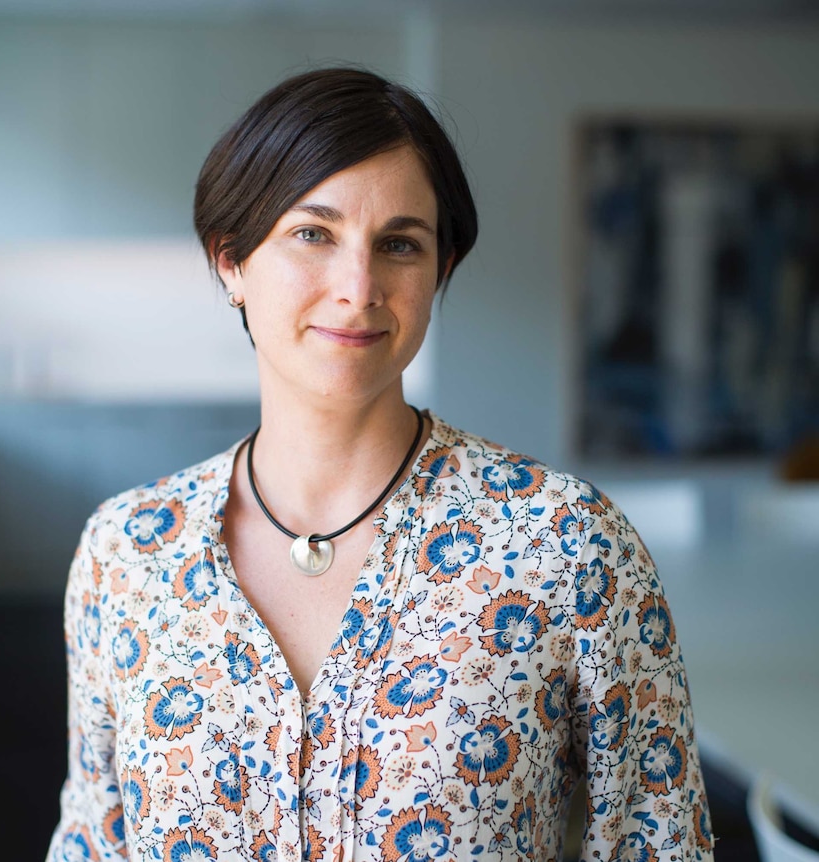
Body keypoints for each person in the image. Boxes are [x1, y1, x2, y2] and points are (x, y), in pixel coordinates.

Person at [46, 66, 715, 862]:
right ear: (229, 262)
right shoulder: (125, 554)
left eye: (399, 244)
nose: (358, 288)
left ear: (442, 270)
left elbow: (661, 840)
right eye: (313, 234)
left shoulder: (567, 546)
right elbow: (93, 838)